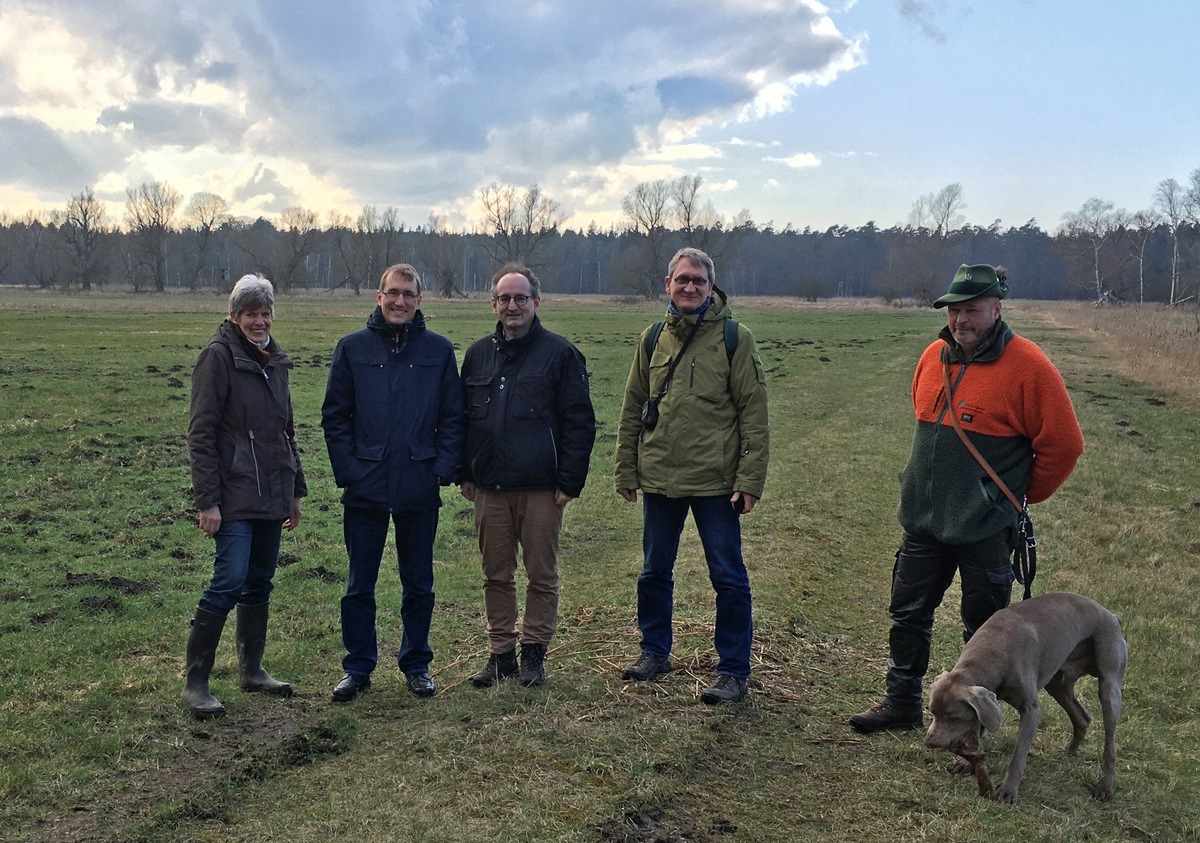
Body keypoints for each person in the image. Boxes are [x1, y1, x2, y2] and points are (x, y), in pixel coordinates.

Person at [849, 263, 1085, 733]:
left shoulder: (1029, 365)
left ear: (996, 309)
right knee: (907, 613)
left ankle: (973, 719)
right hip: (924, 520)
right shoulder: (933, 355)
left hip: (984, 525)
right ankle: (901, 703)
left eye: (972, 310)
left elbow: (1065, 444)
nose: (961, 320)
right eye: (955, 310)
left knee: (985, 629)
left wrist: (1016, 498)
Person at [615, 247, 770, 705]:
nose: (689, 287)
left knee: (728, 577)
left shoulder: (734, 338)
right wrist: (626, 468)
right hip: (660, 479)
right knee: (653, 572)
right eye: (681, 279)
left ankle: (733, 670)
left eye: (698, 281)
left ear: (711, 286)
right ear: (668, 285)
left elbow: (754, 416)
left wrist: (750, 480)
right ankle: (654, 652)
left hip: (716, 484)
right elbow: (631, 408)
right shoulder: (651, 339)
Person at [322, 264, 464, 702]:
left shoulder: (438, 351)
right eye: (392, 293)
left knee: (418, 582)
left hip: (418, 484)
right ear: (378, 296)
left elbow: (453, 417)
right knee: (358, 585)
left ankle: (416, 663)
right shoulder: (352, 349)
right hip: (364, 486)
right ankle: (358, 667)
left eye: (408, 294)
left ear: (420, 300)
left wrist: (441, 468)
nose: (399, 301)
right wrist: (349, 470)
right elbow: (335, 417)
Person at [459, 263, 596, 688]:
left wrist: (568, 482)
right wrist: (465, 472)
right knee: (495, 575)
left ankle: (534, 653)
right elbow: (463, 421)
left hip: (541, 489)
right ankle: (501, 655)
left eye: (521, 298)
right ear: (493, 304)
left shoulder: (561, 354)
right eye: (505, 298)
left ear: (536, 302)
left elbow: (580, 423)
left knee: (542, 575)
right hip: (490, 488)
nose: (512, 306)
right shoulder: (478, 354)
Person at [183, 274, 306, 719]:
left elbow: (285, 431)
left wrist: (295, 491)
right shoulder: (217, 359)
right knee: (228, 582)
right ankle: (196, 682)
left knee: (259, 582)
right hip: (232, 495)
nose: (259, 321)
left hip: (273, 493)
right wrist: (206, 501)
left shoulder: (276, 362)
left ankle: (252, 670)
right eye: (250, 313)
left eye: (265, 313)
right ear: (233, 316)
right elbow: (201, 434)